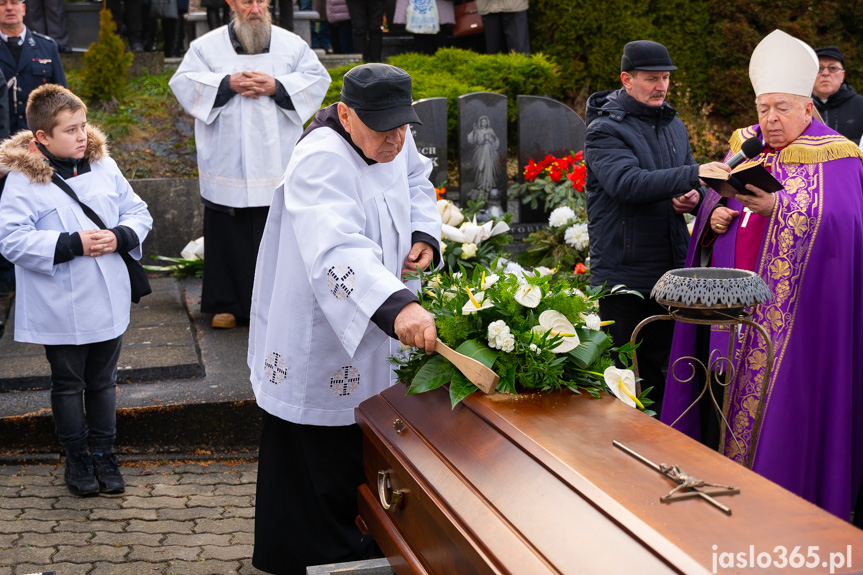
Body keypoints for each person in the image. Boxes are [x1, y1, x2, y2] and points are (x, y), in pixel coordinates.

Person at [662, 30, 863, 524]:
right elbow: (719, 204)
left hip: (801, 329)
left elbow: (848, 226)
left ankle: (785, 514)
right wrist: (714, 215)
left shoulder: (838, 156)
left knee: (786, 423)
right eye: (762, 107)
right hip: (732, 320)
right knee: (720, 403)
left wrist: (783, 207)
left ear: (807, 108)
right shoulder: (747, 147)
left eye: (781, 108)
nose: (769, 120)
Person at [248, 63, 441, 574]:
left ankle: (368, 545)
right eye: (384, 131)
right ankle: (313, 558)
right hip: (324, 331)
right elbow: (337, 250)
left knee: (368, 440)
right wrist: (399, 306)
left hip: (383, 318)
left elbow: (419, 179)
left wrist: (425, 234)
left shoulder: (393, 135)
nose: (397, 142)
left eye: (404, 128)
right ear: (348, 114)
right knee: (320, 456)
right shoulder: (320, 158)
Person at [0, 84, 153, 496]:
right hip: (60, 302)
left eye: (83, 126)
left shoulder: (104, 165)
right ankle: (76, 457)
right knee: (68, 383)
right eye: (70, 130)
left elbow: (137, 210)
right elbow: (11, 239)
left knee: (103, 381)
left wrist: (120, 236)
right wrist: (73, 244)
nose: (82, 136)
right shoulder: (22, 179)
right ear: (42, 138)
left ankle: (104, 451)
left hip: (107, 296)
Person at [584, 40, 725, 417]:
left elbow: (686, 181)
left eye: (665, 78)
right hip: (624, 272)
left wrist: (693, 197)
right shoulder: (603, 130)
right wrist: (694, 174)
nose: (660, 86)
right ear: (626, 80)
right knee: (626, 378)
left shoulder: (673, 124)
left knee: (670, 373)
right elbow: (626, 183)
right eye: (651, 79)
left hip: (671, 267)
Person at [169, 0, 330, 330]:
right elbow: (183, 83)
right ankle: (226, 305)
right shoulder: (205, 47)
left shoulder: (292, 45)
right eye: (246, 1)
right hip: (228, 160)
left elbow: (318, 79)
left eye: (260, 0)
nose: (255, 8)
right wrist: (227, 84)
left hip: (278, 156)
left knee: (277, 233)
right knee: (228, 231)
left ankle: (278, 304)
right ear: (231, 3)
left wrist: (277, 86)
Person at [0, 0, 66, 296]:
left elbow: (61, 99)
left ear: (25, 8)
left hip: (38, 148)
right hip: (2, 150)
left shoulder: (45, 46)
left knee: (40, 212)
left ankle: (37, 275)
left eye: (14, 2)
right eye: (2, 3)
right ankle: (4, 285)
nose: (9, 8)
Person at [810, 45, 863, 144]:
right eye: (819, 68)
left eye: (833, 68)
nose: (825, 73)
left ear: (842, 75)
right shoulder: (801, 108)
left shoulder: (860, 105)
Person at [466, 114, 500, 200]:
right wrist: (474, 131)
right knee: (480, 169)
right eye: (482, 122)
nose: (483, 123)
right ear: (480, 123)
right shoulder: (477, 131)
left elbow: (495, 141)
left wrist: (490, 138)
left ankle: (488, 185)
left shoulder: (490, 130)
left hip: (489, 152)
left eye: (485, 122)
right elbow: (472, 140)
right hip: (480, 152)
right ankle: (480, 185)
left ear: (487, 122)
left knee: (488, 168)